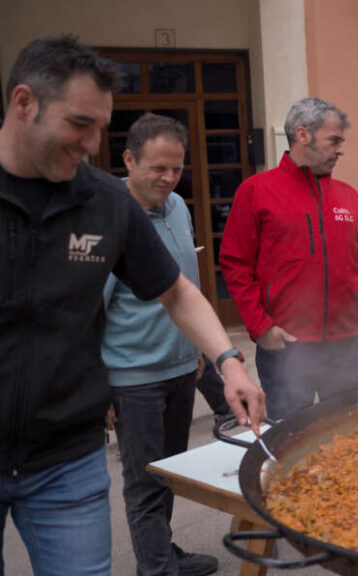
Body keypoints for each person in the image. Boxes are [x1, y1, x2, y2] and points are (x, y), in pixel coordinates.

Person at [0, 36, 264, 576]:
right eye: (80, 124)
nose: (93, 144)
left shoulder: (105, 201)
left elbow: (175, 289)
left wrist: (227, 360)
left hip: (66, 457)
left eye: (101, 126)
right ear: (24, 103)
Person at [220, 97, 358, 420]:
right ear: (302, 135)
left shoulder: (347, 195)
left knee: (347, 433)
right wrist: (262, 327)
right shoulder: (256, 191)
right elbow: (235, 264)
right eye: (334, 141)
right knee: (292, 438)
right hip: (286, 346)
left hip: (345, 345)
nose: (340, 150)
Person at [101, 113, 217, 576]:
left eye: (177, 168)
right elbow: (90, 312)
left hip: (180, 367)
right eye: (158, 169)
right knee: (145, 481)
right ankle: (155, 568)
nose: (169, 179)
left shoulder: (178, 207)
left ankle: (163, 552)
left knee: (168, 472)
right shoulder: (108, 216)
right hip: (133, 378)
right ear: (129, 160)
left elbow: (185, 285)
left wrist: (197, 351)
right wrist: (101, 386)